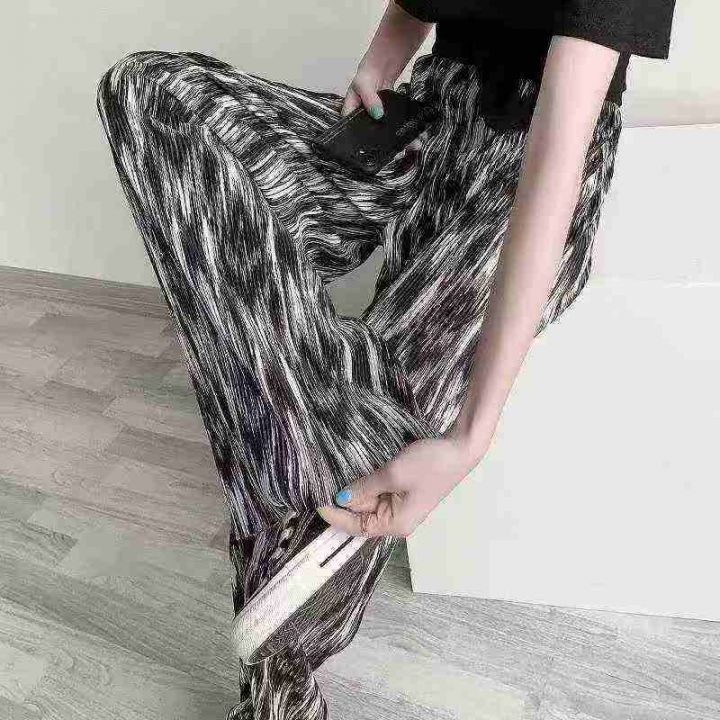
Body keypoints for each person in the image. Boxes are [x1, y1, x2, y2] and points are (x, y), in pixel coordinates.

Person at [96, 1, 676, 717]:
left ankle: (280, 692)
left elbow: (560, 148)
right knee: (149, 95)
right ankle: (312, 434)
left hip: (526, 173)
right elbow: (417, 8)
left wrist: (469, 438)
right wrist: (383, 56)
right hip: (425, 123)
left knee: (380, 420)